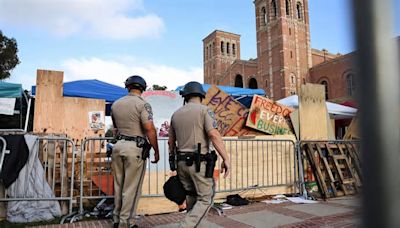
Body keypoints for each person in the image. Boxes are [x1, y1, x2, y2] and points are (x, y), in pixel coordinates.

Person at [168, 81, 230, 227]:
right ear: (202, 95)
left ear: (185, 96)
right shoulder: (205, 111)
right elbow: (214, 135)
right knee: (206, 198)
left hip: (181, 163)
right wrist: (226, 158)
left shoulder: (176, 114)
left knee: (191, 196)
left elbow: (171, 142)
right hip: (198, 163)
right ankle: (185, 225)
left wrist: (172, 160)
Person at [111, 75, 160, 228]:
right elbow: (149, 128)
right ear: (143, 88)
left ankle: (116, 219)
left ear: (128, 87)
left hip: (118, 146)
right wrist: (156, 150)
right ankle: (127, 223)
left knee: (119, 186)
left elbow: (115, 129)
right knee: (131, 187)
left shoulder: (116, 104)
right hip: (135, 148)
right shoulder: (143, 105)